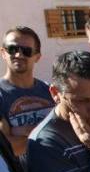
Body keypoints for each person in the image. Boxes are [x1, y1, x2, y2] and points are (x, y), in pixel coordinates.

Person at [0, 27, 55, 155]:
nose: (19, 55)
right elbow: (6, 148)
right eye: (12, 49)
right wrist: (50, 135)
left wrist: (22, 131)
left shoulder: (50, 91)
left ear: (37, 57)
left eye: (26, 51)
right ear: (3, 53)